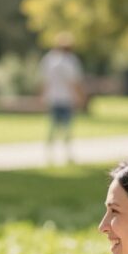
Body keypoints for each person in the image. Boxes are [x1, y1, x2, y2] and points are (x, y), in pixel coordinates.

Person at [38, 32, 84, 164]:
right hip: (66, 98)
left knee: (53, 126)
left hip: (53, 97)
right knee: (66, 128)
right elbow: (74, 82)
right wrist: (80, 96)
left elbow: (44, 81)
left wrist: (42, 95)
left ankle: (49, 153)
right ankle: (67, 154)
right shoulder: (71, 61)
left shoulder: (49, 60)